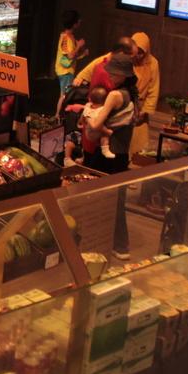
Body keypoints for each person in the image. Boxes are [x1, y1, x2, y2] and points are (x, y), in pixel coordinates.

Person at [80, 52, 139, 259]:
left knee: (102, 198)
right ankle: (118, 245)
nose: (111, 76)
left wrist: (87, 114)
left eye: (114, 73)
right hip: (121, 153)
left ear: (124, 75)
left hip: (108, 154)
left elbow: (97, 123)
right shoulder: (130, 94)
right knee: (116, 199)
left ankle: (110, 244)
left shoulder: (114, 95)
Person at [128, 32, 161, 156]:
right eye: (136, 52)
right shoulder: (125, 58)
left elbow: (154, 88)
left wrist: (145, 110)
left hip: (140, 109)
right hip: (124, 104)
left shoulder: (153, 63)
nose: (138, 56)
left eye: (141, 53)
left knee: (138, 146)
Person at [54, 10, 87, 112]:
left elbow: (72, 56)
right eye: (78, 20)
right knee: (65, 95)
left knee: (66, 94)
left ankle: (59, 116)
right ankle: (58, 116)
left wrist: (83, 54)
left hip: (68, 70)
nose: (80, 21)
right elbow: (70, 56)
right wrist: (79, 46)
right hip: (65, 71)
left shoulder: (69, 37)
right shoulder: (65, 37)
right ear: (74, 23)